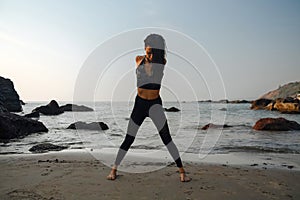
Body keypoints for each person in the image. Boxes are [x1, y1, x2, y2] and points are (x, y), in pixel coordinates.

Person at [107, 34, 191, 182]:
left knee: (167, 139)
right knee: (129, 138)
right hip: (139, 104)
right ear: (144, 49)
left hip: (155, 105)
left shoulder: (162, 62)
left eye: (153, 52)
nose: (150, 55)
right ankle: (114, 169)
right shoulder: (138, 60)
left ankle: (182, 171)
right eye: (148, 51)